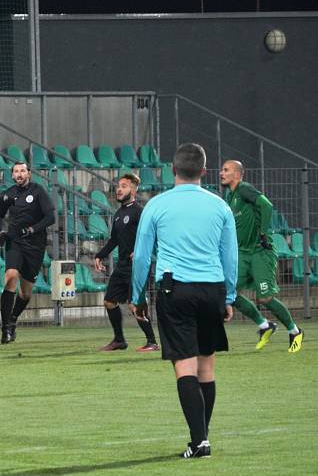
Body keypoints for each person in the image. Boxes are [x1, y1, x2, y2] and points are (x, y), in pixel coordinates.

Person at [131, 143, 237, 459]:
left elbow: (141, 257)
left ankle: (199, 441)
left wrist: (137, 296)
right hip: (211, 288)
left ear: (172, 170)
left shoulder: (156, 206)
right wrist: (228, 296)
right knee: (206, 367)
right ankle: (201, 438)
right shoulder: (220, 206)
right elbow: (230, 256)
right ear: (204, 172)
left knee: (185, 367)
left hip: (174, 289)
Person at [219, 160, 304, 353]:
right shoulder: (229, 195)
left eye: (226, 170)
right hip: (242, 253)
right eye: (222, 170)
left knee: (264, 298)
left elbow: (266, 205)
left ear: (238, 175)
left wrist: (263, 233)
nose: (221, 173)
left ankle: (295, 331)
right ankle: (265, 325)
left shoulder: (244, 188)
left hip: (259, 251)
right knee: (230, 295)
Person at [95, 173, 159, 352]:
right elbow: (114, 239)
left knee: (134, 304)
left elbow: (151, 235)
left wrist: (139, 250)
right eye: (118, 186)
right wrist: (99, 255)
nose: (119, 189)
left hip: (137, 266)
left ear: (134, 189)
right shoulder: (118, 214)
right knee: (109, 301)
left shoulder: (140, 212)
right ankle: (119, 340)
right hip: (122, 265)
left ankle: (152, 342)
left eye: (124, 186)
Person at [0, 162, 56, 344]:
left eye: (23, 170)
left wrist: (32, 229)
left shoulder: (38, 191)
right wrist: (1, 231)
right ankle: (5, 328)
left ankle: (13, 319)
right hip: (15, 241)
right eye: (16, 171)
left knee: (26, 293)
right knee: (11, 276)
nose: (19, 174)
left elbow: (51, 217)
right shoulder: (9, 194)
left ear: (29, 173)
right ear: (12, 175)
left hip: (35, 246)